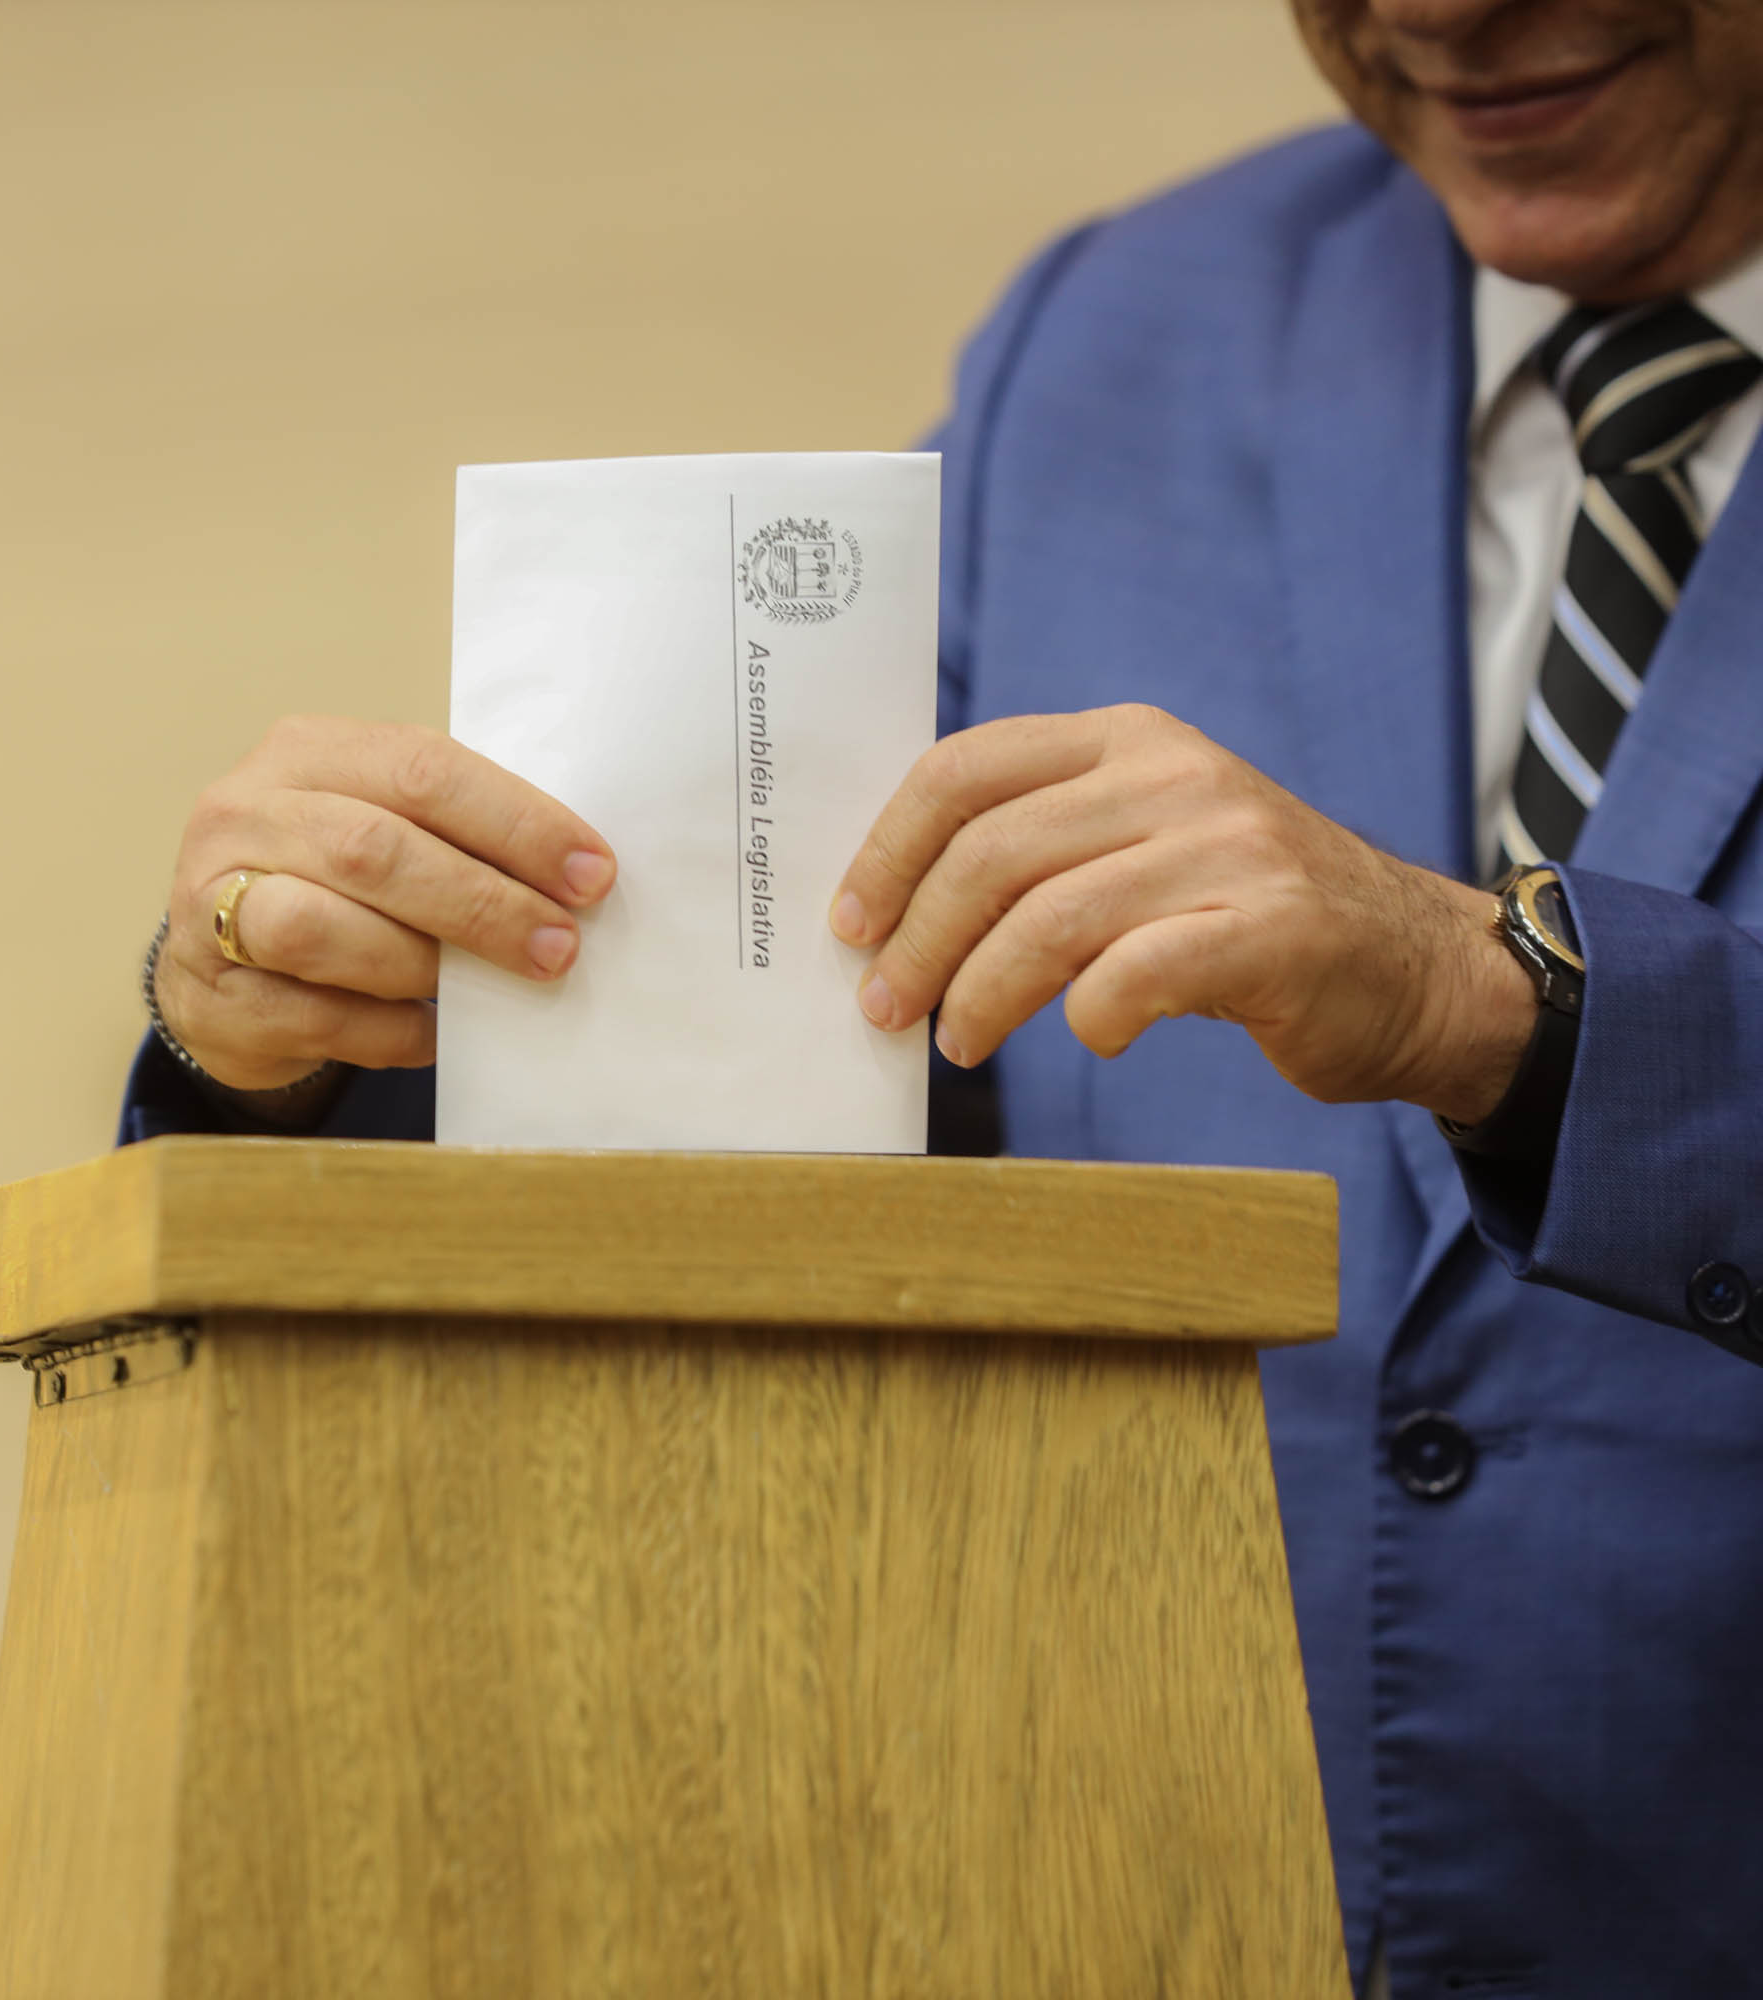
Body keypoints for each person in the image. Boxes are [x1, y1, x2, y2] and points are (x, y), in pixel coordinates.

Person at [121, 2, 1763, 1992]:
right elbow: (795, 1069)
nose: (1440, 12)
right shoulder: (1123, 332)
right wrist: (291, 1023)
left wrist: (1486, 1001)